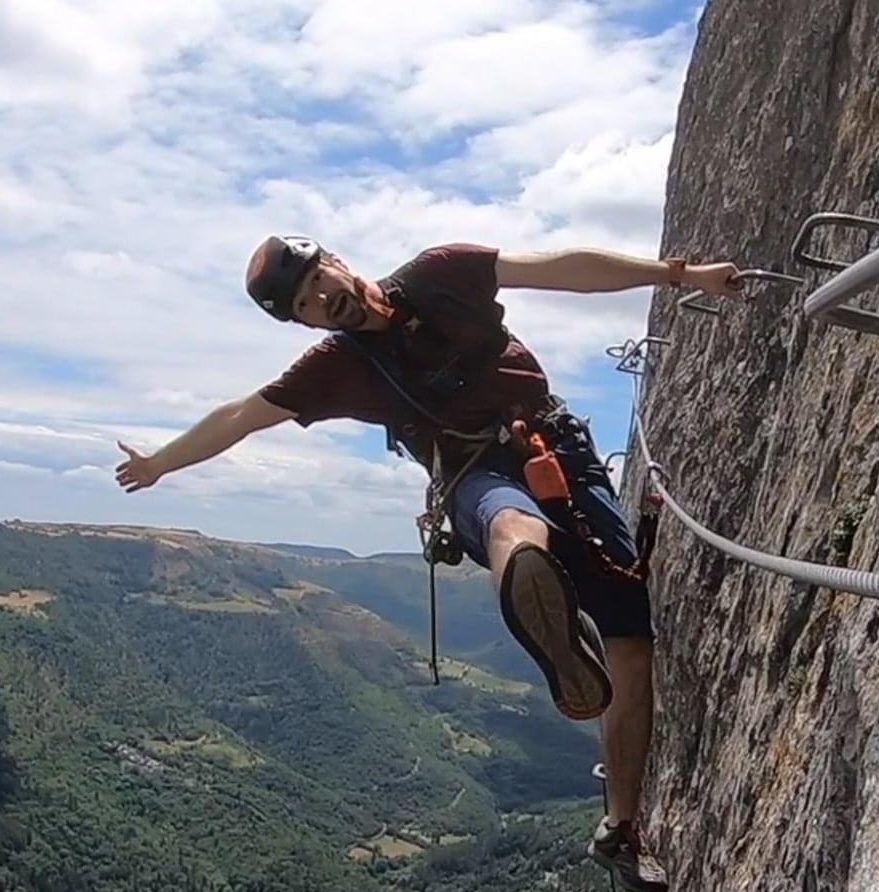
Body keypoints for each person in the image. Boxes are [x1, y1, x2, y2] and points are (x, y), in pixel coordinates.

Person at [114, 235, 741, 891]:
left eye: (316, 283)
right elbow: (242, 415)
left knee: (632, 642)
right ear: (305, 322)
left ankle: (619, 826)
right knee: (514, 527)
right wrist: (160, 463)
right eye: (305, 306)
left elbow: (559, 269)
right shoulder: (334, 368)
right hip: (474, 475)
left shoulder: (443, 273)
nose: (322, 301)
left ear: (335, 262)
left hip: (560, 455)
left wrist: (680, 274)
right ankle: (547, 614)